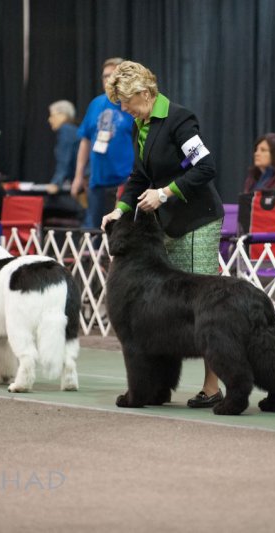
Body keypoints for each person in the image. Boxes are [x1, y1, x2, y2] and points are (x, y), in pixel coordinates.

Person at [101, 61, 225, 408]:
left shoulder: (180, 120)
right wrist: (120, 210)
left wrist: (166, 192)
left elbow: (206, 167)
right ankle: (157, 387)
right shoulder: (139, 125)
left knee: (202, 304)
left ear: (144, 93)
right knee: (167, 311)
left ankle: (213, 388)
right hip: (164, 223)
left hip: (196, 218)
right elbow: (138, 177)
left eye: (126, 101)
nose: (123, 109)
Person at [71, 57, 135, 229]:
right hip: (97, 181)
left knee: (122, 231)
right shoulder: (96, 104)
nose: (108, 80)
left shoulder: (131, 105)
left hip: (125, 181)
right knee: (96, 230)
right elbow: (85, 140)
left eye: (112, 75)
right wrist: (78, 176)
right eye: (105, 76)